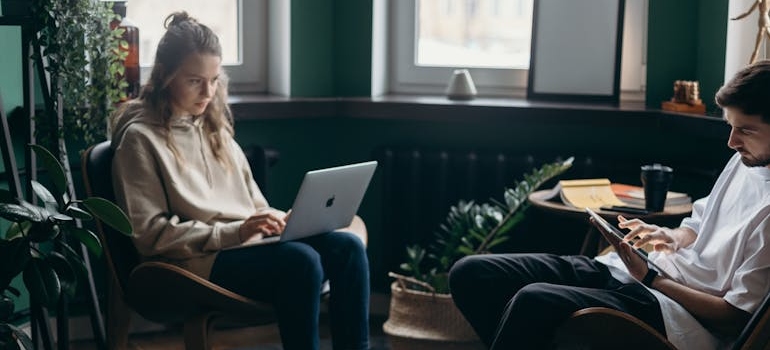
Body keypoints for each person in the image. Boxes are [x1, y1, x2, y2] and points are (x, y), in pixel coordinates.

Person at [448, 60, 770, 350]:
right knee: (473, 273)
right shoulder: (744, 162)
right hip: (641, 273)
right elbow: (700, 227)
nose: (731, 141)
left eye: (745, 129)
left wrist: (650, 279)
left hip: (672, 310)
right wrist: (667, 237)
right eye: (730, 126)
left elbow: (734, 319)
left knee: (534, 301)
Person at [109, 12, 370, 350]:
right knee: (300, 262)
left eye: (214, 79)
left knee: (347, 248)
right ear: (164, 76)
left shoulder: (214, 130)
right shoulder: (139, 140)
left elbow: (252, 206)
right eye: (194, 81)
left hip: (244, 246)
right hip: (192, 263)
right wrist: (239, 230)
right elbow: (152, 237)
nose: (208, 92)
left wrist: (279, 221)